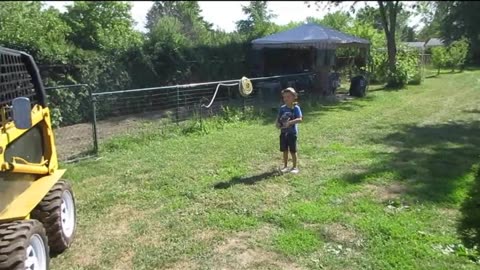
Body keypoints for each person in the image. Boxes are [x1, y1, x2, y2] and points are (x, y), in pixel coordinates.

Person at [276, 87, 303, 174]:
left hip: (292, 133)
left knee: (292, 150)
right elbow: (278, 118)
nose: (286, 99)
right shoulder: (282, 108)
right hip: (283, 133)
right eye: (284, 97)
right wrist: (277, 123)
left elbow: (300, 119)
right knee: (284, 150)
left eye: (288, 97)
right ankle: (285, 166)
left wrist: (290, 122)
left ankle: (295, 167)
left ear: (294, 97)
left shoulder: (296, 108)